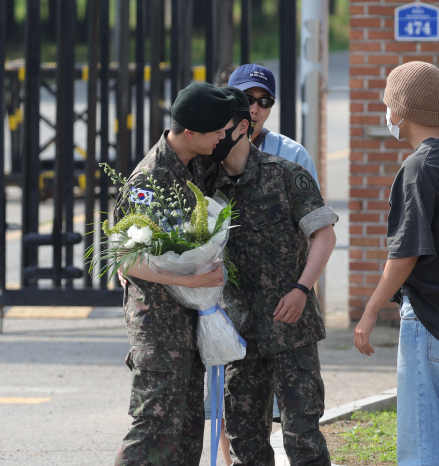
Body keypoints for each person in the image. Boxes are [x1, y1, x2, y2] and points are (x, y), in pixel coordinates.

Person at [353, 61, 439, 466]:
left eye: (387, 103)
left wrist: (370, 309)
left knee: (423, 444)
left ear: (400, 111)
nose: (386, 113)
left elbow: (405, 253)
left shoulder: (419, 167)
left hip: (429, 319)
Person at [205, 86, 338, 466]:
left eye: (220, 129)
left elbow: (324, 235)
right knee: (245, 439)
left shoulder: (286, 176)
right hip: (237, 334)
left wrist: (302, 289)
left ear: (242, 128)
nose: (213, 138)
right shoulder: (206, 185)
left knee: (303, 437)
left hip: (289, 327)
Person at [113, 82, 237, 466]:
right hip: (158, 326)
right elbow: (125, 259)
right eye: (217, 131)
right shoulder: (148, 181)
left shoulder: (195, 165)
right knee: (152, 428)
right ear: (190, 132)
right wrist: (191, 281)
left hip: (188, 323)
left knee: (185, 434)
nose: (222, 137)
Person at [228, 63, 319, 186]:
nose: (254, 109)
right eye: (247, 98)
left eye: (264, 101)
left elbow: (313, 204)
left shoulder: (294, 154)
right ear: (229, 98)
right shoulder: (209, 147)